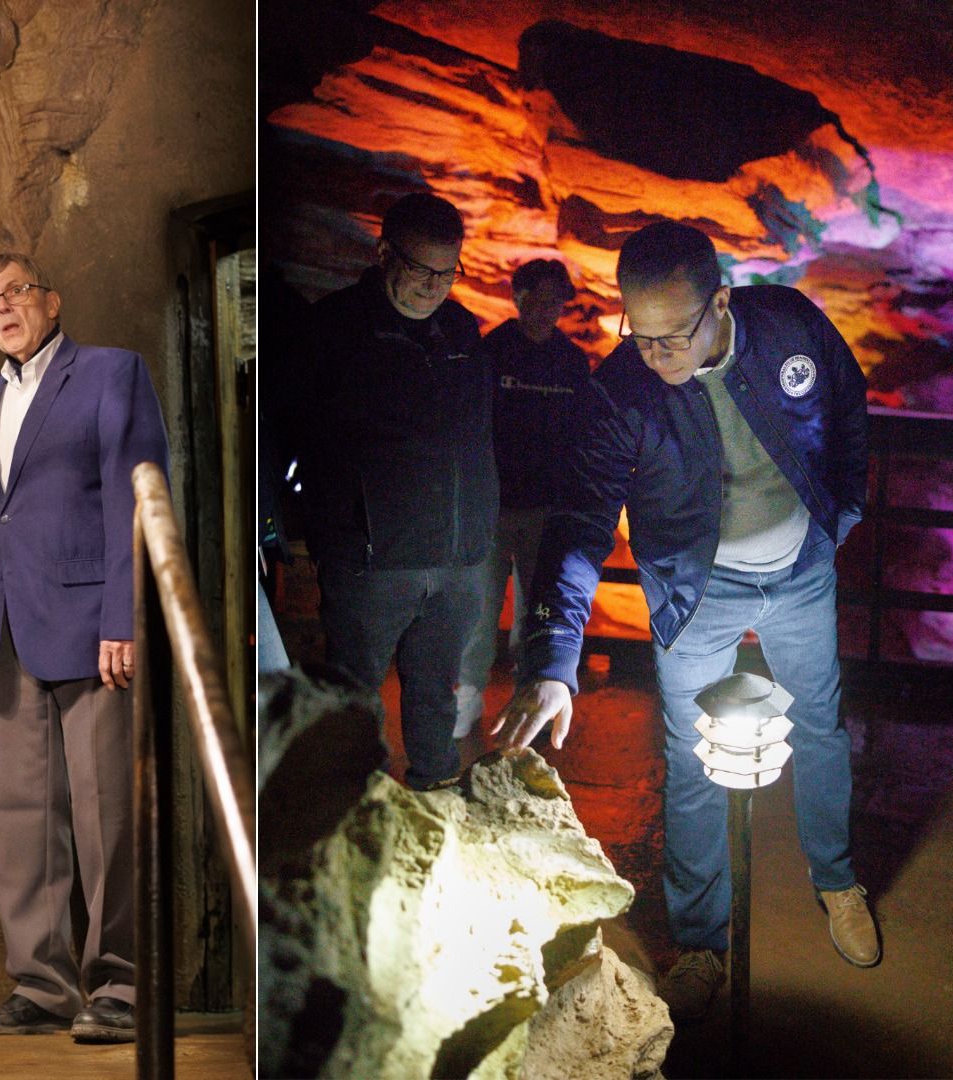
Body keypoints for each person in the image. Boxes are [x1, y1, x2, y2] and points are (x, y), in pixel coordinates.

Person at [492, 221, 876, 1022]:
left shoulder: (792, 326)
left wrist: (839, 517)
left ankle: (837, 881)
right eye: (640, 333)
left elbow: (846, 402)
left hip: (801, 575)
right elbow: (582, 521)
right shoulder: (620, 388)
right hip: (696, 594)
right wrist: (555, 658)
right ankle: (703, 939)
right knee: (693, 762)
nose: (656, 355)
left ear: (722, 303)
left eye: (675, 335)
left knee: (822, 726)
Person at [0, 253, 168, 1042]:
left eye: (13, 292)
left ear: (50, 298)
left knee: (108, 809)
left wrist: (126, 616)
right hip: (5, 637)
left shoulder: (112, 373)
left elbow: (138, 499)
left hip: (92, 630)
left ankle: (121, 986)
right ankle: (40, 988)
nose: (2, 308)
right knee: (20, 818)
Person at [292, 191, 497, 788]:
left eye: (448, 270)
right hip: (371, 562)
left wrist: (478, 530)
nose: (437, 284)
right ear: (384, 253)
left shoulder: (461, 330)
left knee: (436, 695)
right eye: (422, 268)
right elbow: (292, 425)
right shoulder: (333, 328)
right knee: (356, 698)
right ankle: (362, 814)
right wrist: (326, 526)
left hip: (455, 559)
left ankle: (434, 799)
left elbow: (478, 433)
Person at [455, 258, 591, 745]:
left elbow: (582, 436)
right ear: (518, 297)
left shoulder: (573, 364)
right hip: (491, 509)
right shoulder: (490, 352)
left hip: (545, 512)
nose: (546, 310)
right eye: (538, 298)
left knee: (535, 613)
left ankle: (526, 700)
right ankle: (467, 697)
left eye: (556, 301)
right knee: (478, 609)